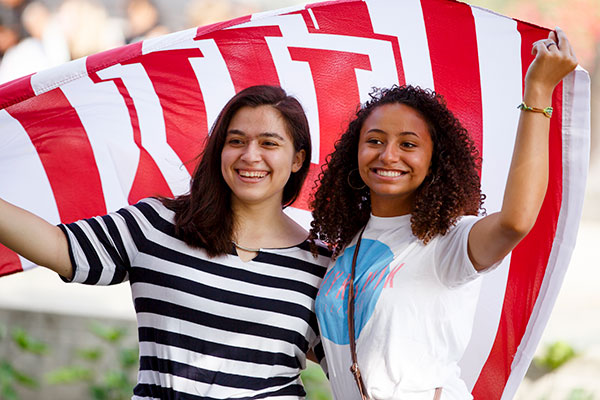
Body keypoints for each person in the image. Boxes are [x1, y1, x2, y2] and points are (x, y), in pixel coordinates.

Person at [0, 85, 330, 399]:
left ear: (298, 159)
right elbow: (60, 246)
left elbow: (350, 362)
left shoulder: (321, 266)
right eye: (236, 141)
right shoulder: (159, 225)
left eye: (269, 144)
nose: (250, 155)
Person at [310, 28, 578, 400]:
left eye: (408, 144)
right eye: (374, 141)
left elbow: (516, 220)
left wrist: (538, 92)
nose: (388, 155)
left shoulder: (448, 240)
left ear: (435, 161)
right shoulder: (348, 247)